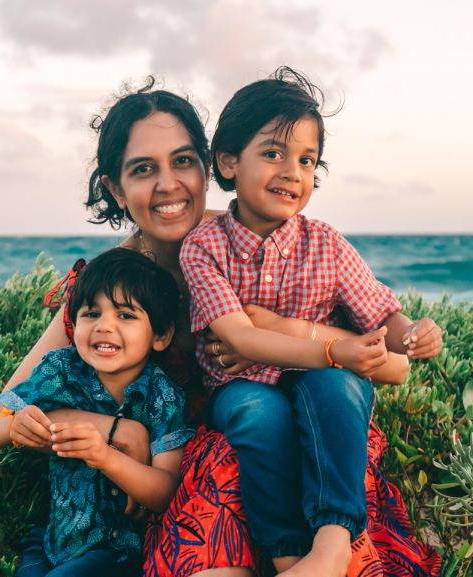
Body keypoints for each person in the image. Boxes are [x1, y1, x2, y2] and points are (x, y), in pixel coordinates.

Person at [0, 77, 440, 577]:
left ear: (208, 165)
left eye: (182, 161)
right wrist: (113, 428)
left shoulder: (262, 235)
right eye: (143, 169)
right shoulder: (107, 292)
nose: (169, 184)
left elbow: (392, 368)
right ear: (114, 186)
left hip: (308, 446)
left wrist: (283, 329)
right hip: (190, 467)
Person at [179, 67, 444, 577]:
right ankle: (286, 556)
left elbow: (383, 315)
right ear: (229, 161)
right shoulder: (204, 247)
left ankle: (332, 544)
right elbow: (240, 338)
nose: (292, 172)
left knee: (339, 389)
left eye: (306, 160)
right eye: (273, 154)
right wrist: (333, 350)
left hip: (320, 381)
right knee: (259, 413)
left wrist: (410, 334)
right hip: (240, 385)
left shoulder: (326, 243)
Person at [0, 248, 195, 576]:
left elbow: (165, 492)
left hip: (116, 549)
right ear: (73, 323)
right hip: (53, 542)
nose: (104, 326)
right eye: (91, 314)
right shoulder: (61, 370)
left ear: (160, 336)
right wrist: (15, 424)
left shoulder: (161, 396)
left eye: (125, 315)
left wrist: (106, 457)